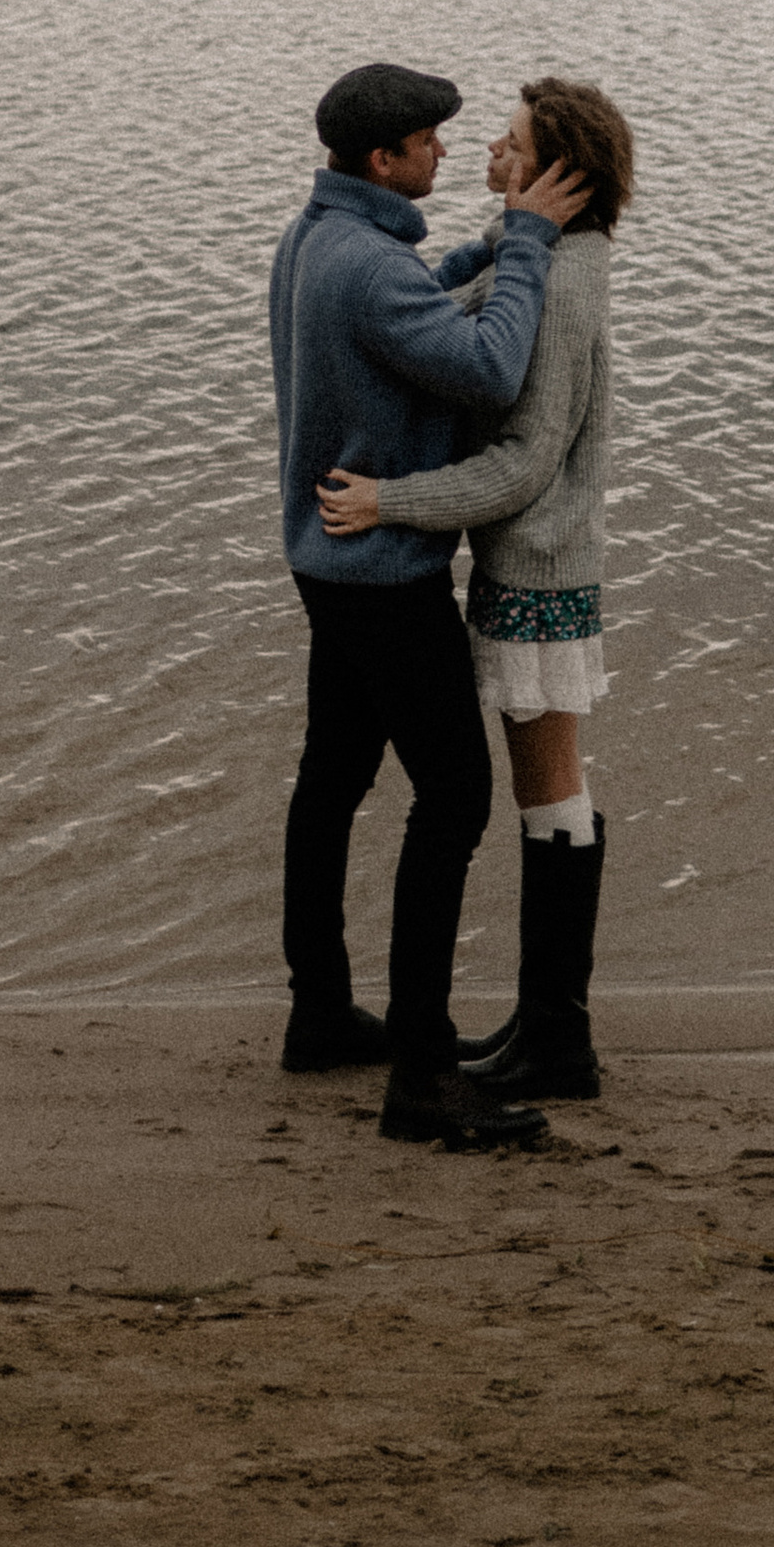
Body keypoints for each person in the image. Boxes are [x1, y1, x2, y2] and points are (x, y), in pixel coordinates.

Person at [268, 57, 589, 1152]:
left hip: (324, 564)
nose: (447, 155)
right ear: (380, 159)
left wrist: (494, 247)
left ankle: (317, 1011)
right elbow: (492, 371)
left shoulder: (321, 237)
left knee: (334, 778)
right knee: (452, 802)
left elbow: (414, 307)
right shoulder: (373, 272)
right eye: (428, 144)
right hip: (384, 579)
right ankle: (420, 1073)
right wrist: (533, 247)